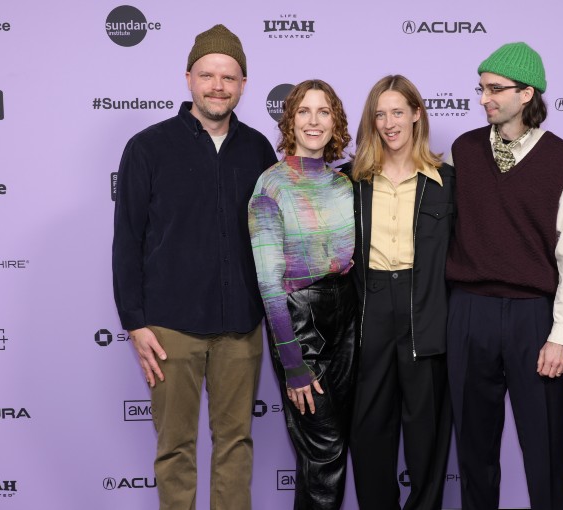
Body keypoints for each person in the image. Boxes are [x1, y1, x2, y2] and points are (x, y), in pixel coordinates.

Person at [112, 24, 277, 510]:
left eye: (229, 77)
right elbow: (127, 240)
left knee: (236, 444)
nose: (218, 86)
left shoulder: (258, 150)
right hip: (169, 329)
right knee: (175, 448)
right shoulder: (149, 147)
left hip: (241, 327)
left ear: (243, 84)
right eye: (208, 75)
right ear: (188, 78)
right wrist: (135, 323)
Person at [446, 42, 563, 510]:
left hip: (533, 319)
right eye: (481, 88)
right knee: (473, 450)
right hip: (468, 312)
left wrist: (561, 335)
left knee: (546, 448)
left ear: (526, 94)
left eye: (495, 89)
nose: (484, 98)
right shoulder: (462, 152)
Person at [348, 75, 454, 510]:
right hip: (368, 310)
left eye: (397, 112)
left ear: (416, 114)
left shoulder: (446, 181)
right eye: (380, 114)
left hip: (424, 310)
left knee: (426, 433)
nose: (389, 123)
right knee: (369, 430)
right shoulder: (351, 181)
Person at [248, 79, 355, 510]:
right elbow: (269, 284)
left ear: (336, 122)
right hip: (300, 320)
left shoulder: (344, 184)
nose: (314, 121)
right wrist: (293, 362)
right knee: (323, 449)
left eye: (324, 111)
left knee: (333, 448)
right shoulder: (271, 185)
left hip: (347, 314)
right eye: (304, 111)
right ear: (290, 120)